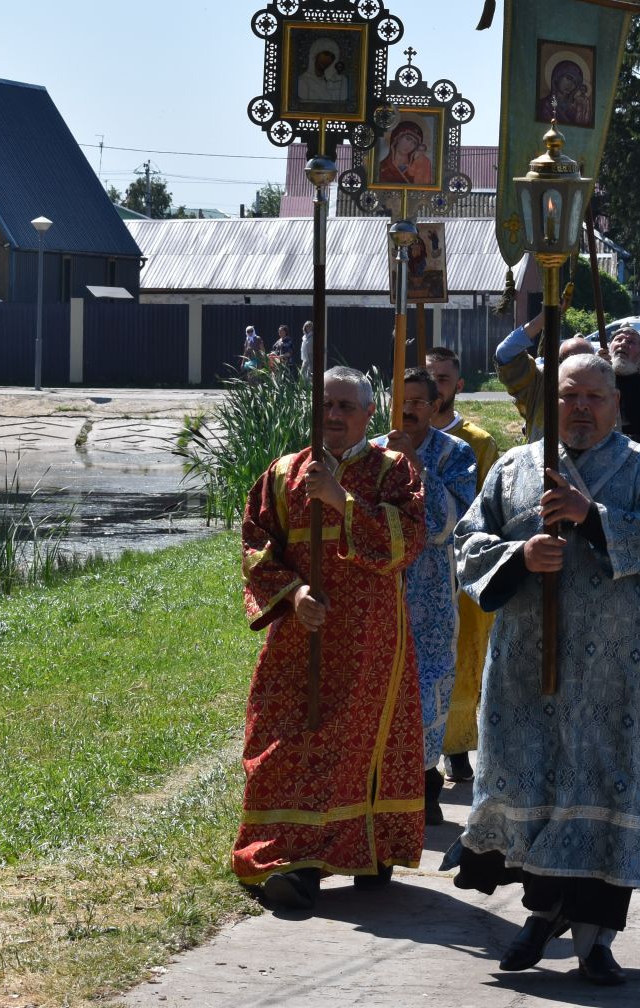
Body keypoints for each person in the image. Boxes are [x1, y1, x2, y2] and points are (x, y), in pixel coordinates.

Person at [451, 353, 640, 985]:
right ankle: (542, 913)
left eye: (594, 396)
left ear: (616, 404)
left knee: (605, 788)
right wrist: (519, 554)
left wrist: (593, 519)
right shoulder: (512, 469)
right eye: (567, 396)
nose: (580, 407)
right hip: (528, 670)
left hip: (615, 673)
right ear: (549, 403)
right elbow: (468, 547)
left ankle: (594, 941)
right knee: (536, 787)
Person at [233, 366, 426, 910]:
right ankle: (288, 858)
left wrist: (341, 500)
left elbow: (407, 541)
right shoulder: (283, 472)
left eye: (346, 406)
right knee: (282, 738)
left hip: (369, 641)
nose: (334, 416)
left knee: (356, 742)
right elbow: (255, 546)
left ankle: (364, 849)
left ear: (369, 413)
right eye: (326, 406)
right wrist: (293, 596)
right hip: (300, 638)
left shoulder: (394, 470)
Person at [371, 368, 477, 824]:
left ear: (435, 406)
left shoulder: (455, 454)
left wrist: (414, 462)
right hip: (378, 590)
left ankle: (424, 784)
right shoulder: (371, 453)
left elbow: (447, 523)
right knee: (377, 686)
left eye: (418, 400)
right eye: (401, 399)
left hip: (430, 592)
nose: (409, 408)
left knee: (426, 687)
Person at [425, 346, 501, 786]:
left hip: (464, 565)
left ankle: (457, 747)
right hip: (419, 565)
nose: (437, 385)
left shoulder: (478, 440)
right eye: (429, 376)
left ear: (459, 385)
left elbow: (488, 505)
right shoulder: (401, 435)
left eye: (444, 377)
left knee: (465, 653)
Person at [495, 307, 598, 442]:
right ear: (559, 362)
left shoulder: (602, 385)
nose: (578, 366)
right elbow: (506, 353)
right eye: (571, 359)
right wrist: (544, 316)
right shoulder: (541, 380)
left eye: (585, 359)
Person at [377, 120, 434, 186]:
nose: (409, 145)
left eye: (414, 143)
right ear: (397, 137)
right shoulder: (382, 167)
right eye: (408, 139)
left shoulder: (420, 166)